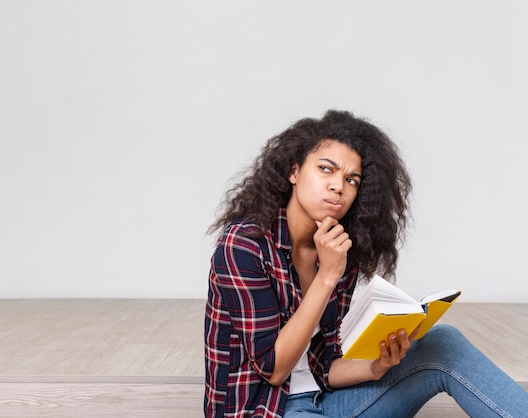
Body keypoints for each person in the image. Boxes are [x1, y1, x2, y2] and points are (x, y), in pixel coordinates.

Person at [203, 110, 528, 417]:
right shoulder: (245, 245)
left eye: (352, 180)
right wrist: (327, 276)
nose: (338, 187)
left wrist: (376, 367)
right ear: (294, 171)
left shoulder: (338, 248)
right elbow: (273, 370)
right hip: (267, 408)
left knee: (443, 342)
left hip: (326, 401)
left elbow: (323, 366)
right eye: (326, 169)